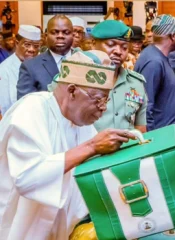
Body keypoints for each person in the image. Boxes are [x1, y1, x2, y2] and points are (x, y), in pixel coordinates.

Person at [0, 50, 137, 239]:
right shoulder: (31, 110)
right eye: (98, 100)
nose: (103, 108)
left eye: (106, 100)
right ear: (72, 90)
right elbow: (27, 178)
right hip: (20, 228)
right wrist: (91, 147)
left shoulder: (80, 121)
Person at [91, 20, 147, 133]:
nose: (118, 51)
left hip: (129, 149)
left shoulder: (136, 83)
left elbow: (141, 129)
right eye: (111, 45)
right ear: (93, 44)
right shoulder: (77, 80)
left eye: (124, 47)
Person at [134, 15, 175, 137]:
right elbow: (145, 106)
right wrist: (151, 142)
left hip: (167, 135)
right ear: (173, 36)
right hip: (160, 138)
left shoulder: (159, 57)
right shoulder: (154, 61)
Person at [17, 15, 73, 99]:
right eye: (54, 32)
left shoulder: (87, 61)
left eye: (66, 32)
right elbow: (25, 105)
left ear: (73, 35)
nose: (60, 36)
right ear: (46, 36)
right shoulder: (30, 67)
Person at [0, 25, 41, 116]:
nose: (32, 50)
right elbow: (5, 107)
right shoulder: (4, 70)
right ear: (17, 43)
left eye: (36, 46)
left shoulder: (41, 65)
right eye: (27, 45)